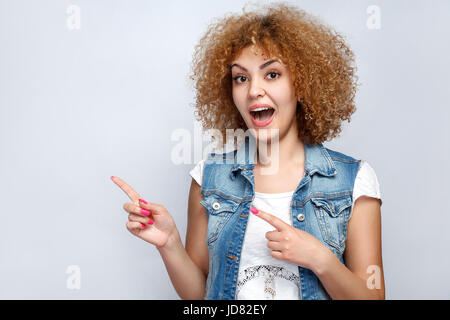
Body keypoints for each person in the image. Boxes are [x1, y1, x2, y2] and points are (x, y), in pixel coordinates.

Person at [111, 2, 385, 300]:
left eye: (272, 74)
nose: (254, 90)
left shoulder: (352, 180)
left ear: (302, 84)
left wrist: (320, 259)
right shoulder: (209, 178)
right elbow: (200, 296)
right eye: (241, 78)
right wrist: (169, 243)